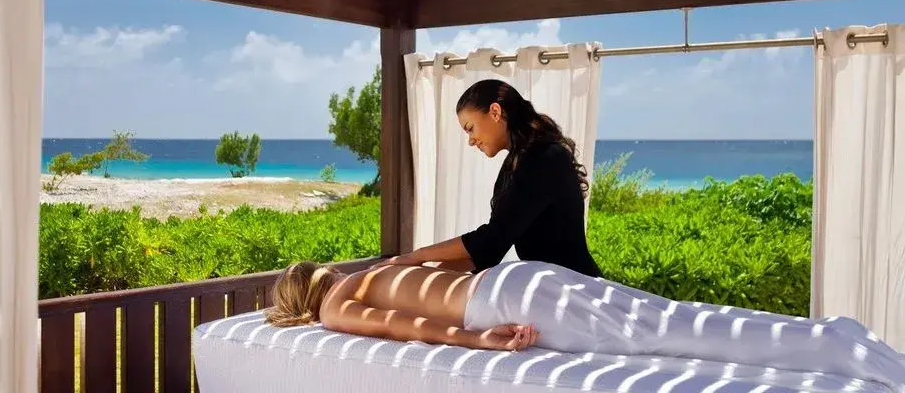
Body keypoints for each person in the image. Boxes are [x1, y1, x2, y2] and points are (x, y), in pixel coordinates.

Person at [264, 260, 905, 392]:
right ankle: (837, 340)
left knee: (673, 333)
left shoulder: (335, 304)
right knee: (676, 319)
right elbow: (420, 300)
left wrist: (479, 339)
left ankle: (837, 344)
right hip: (523, 277)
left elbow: (404, 327)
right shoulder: (374, 269)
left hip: (509, 302)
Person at [375, 79, 602, 278]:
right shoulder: (514, 165)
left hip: (575, 286)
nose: (471, 141)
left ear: (495, 112)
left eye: (470, 128)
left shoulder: (546, 157)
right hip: (549, 286)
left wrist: (418, 256)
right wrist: (428, 274)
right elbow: (488, 251)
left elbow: (493, 238)